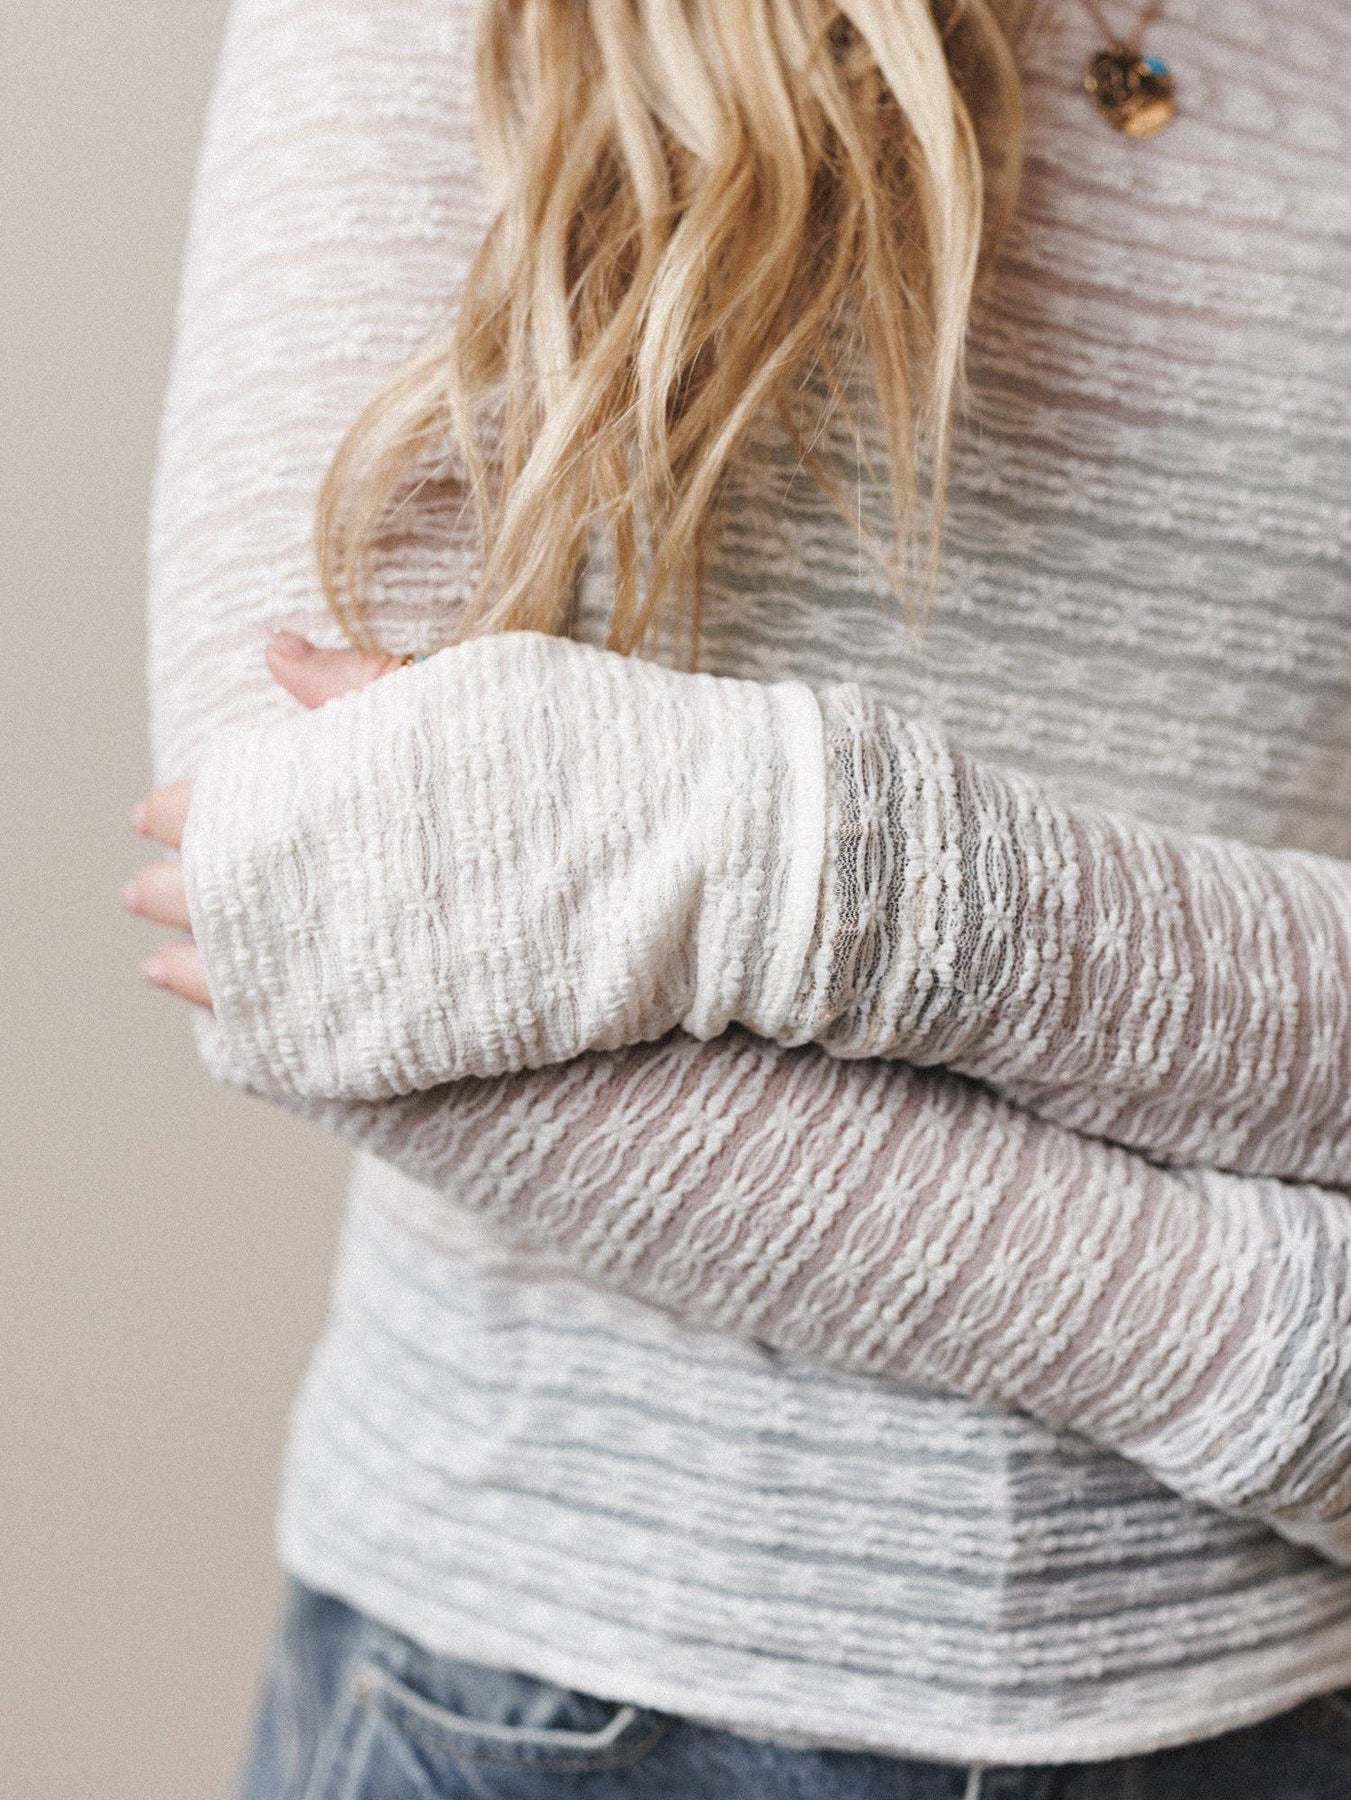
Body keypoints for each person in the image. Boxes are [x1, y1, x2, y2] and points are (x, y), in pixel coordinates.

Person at [122, 0, 1351, 1793]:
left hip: (1290, 1682)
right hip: (575, 1697)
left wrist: (815, 866)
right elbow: (317, 898)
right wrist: (1270, 1349)